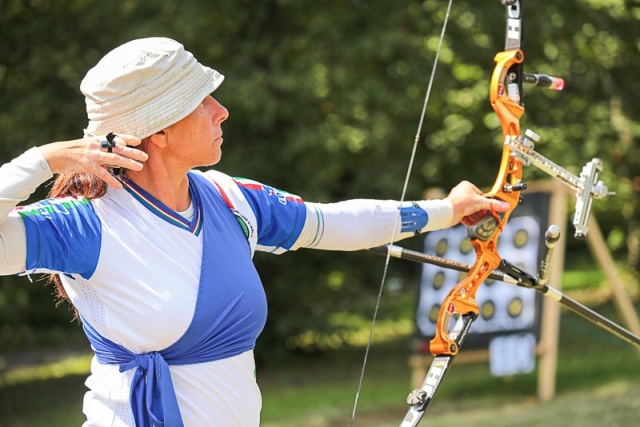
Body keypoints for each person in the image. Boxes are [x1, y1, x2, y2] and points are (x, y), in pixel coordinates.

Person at [0, 37, 509, 426]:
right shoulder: (84, 222)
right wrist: (41, 160)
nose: (221, 111)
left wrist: (445, 210)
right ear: (159, 129)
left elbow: (334, 222)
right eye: (203, 102)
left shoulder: (227, 198)